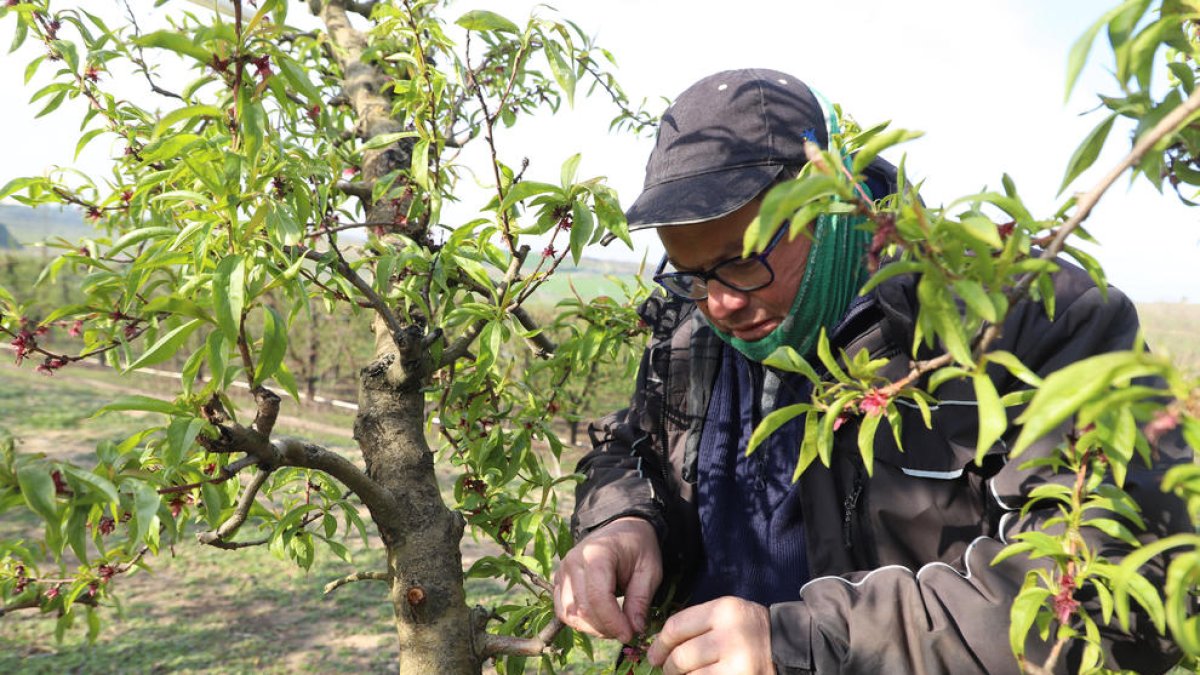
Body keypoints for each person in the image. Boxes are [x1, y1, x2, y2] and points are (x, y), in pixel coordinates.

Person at [551, 69, 1192, 674]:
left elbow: (1121, 597)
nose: (720, 302)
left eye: (743, 261)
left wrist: (805, 647)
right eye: (691, 274)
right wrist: (623, 522)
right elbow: (630, 444)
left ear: (826, 203)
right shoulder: (693, 326)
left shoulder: (1023, 320)